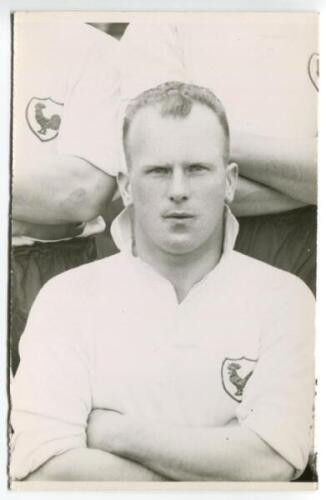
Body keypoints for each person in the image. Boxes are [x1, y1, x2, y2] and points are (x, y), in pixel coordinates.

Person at [11, 82, 315, 483]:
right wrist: (219, 469)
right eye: (157, 171)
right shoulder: (65, 299)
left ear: (229, 180)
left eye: (197, 169)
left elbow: (272, 463)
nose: (178, 191)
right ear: (125, 185)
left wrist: (118, 434)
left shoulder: (286, 299)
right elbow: (44, 471)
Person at [118, 17, 318, 295]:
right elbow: (163, 163)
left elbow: (183, 152)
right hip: (203, 248)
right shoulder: (160, 20)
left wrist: (207, 146)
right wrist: (309, 185)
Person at [11, 19, 119, 374]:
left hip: (53, 269)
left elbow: (81, 193)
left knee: (54, 420)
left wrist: (54, 204)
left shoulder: (94, 50)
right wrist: (36, 203)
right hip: (46, 244)